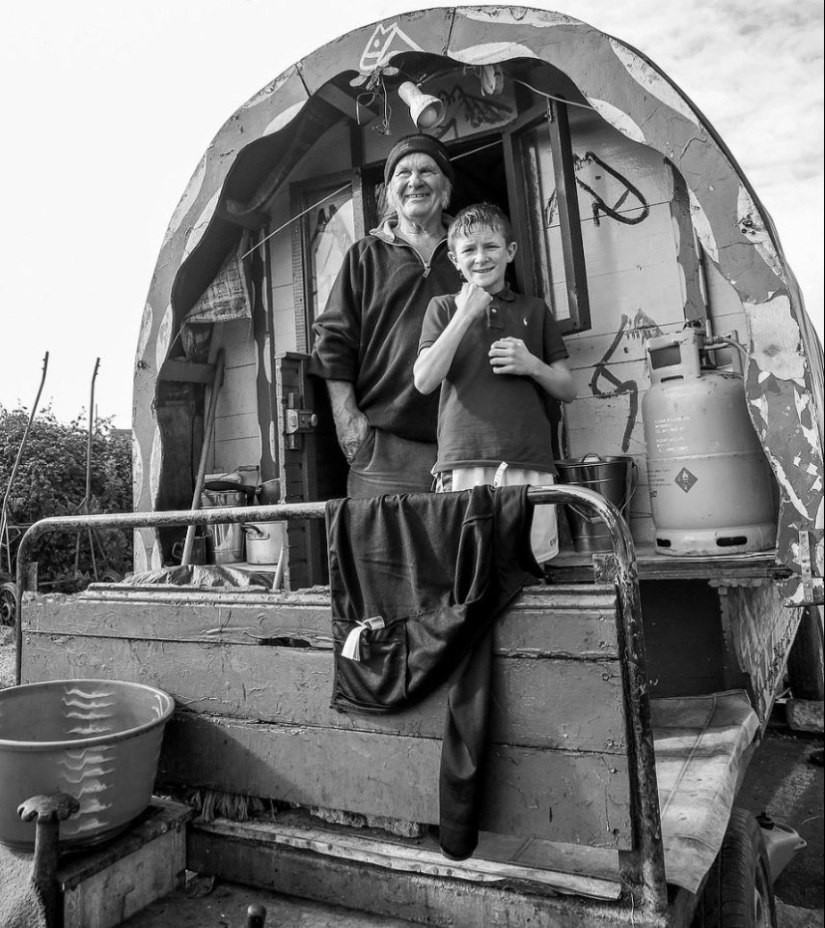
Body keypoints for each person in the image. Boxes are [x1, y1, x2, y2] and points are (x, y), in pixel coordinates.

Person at [414, 203, 576, 562]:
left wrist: (532, 365)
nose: (480, 257)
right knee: (470, 566)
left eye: (491, 246)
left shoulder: (535, 310)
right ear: (454, 260)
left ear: (510, 251)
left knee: (531, 565)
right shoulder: (442, 307)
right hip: (464, 459)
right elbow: (424, 380)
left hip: (529, 460)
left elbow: (568, 389)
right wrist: (466, 312)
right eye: (469, 250)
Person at [308, 134, 463, 497]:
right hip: (384, 451)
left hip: (467, 444)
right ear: (391, 192)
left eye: (427, 170)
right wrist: (348, 421)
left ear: (445, 187)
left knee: (466, 535)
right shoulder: (365, 256)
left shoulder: (472, 251)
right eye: (402, 173)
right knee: (381, 535)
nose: (415, 181)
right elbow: (333, 342)